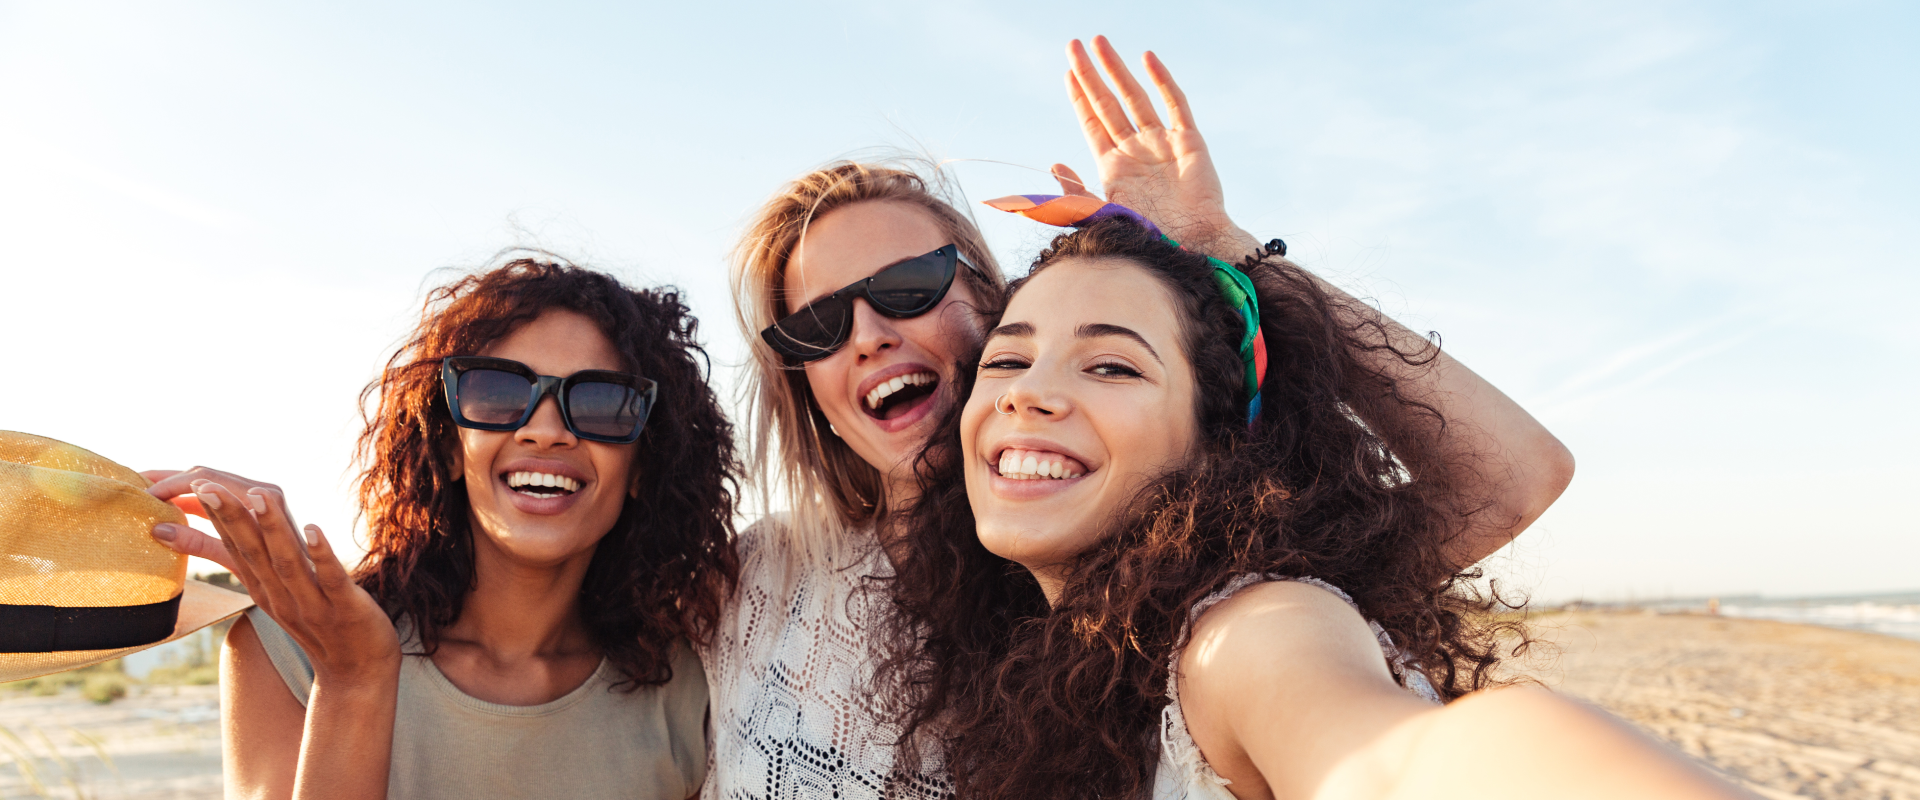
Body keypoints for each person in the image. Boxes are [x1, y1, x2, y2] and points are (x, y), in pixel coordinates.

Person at [708, 36, 1557, 798]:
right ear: (802, 382)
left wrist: (1221, 246)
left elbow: (1507, 481)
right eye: (816, 324)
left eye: (905, 288)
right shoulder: (762, 574)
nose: (867, 334)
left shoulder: (1139, 552)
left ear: (989, 302)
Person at [879, 213, 1745, 800]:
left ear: (1214, 442)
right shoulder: (1049, 659)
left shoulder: (1238, 631)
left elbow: (1396, 765)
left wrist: (1236, 251)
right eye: (1006, 360)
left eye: (1112, 366)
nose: (1031, 395)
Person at [145, 258, 736, 800]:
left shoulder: (686, 685)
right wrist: (353, 680)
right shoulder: (288, 650)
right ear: (449, 450)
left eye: (604, 403)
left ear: (644, 466)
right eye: (498, 393)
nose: (546, 431)